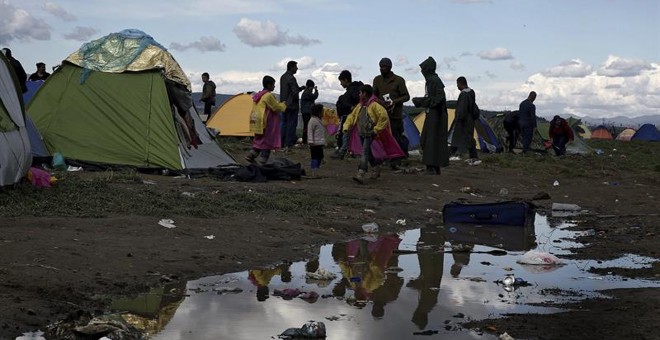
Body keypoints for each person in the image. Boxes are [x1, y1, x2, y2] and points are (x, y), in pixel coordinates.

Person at [343, 84, 404, 184]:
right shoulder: (360, 106)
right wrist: (346, 127)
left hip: (370, 133)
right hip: (362, 133)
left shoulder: (375, 106)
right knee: (368, 153)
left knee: (364, 152)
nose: (359, 95)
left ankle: (361, 173)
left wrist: (376, 130)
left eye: (360, 93)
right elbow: (351, 117)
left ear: (365, 94)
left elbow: (383, 117)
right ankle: (376, 167)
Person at [412, 56, 449, 175]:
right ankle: (434, 166)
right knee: (430, 140)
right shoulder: (433, 80)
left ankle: (431, 167)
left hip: (436, 115)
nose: (422, 72)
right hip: (434, 114)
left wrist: (423, 102)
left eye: (423, 69)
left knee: (429, 140)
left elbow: (439, 98)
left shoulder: (434, 80)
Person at [372, 57, 410, 169]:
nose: (382, 69)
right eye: (380, 66)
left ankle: (397, 159)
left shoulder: (399, 80)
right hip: (382, 115)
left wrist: (395, 102)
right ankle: (385, 157)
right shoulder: (377, 80)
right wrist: (379, 102)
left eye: (384, 67)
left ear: (389, 67)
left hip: (395, 115)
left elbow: (406, 96)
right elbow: (374, 95)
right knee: (382, 137)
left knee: (396, 137)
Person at [246, 75, 287, 165]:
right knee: (267, 143)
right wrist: (283, 105)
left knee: (259, 141)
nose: (274, 87)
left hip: (257, 122)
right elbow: (276, 107)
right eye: (273, 85)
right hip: (266, 123)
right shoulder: (268, 96)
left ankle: (251, 155)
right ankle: (262, 163)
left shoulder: (258, 95)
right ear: (269, 85)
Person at [450, 76, 481, 165]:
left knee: (459, 137)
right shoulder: (471, 92)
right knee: (469, 137)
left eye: (457, 84)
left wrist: (458, 117)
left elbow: (462, 108)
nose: (457, 87)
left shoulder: (463, 94)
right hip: (470, 119)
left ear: (460, 83)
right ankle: (473, 156)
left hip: (464, 120)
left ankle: (457, 154)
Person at [334, 70, 363, 159]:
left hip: (349, 116)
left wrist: (351, 107)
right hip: (356, 116)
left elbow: (356, 100)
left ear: (346, 80)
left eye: (341, 81)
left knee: (345, 134)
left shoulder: (352, 90)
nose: (341, 84)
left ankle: (342, 152)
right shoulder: (356, 88)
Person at [280, 60, 305, 151]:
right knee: (291, 124)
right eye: (296, 67)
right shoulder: (291, 78)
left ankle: (281, 143)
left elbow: (289, 90)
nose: (297, 68)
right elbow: (294, 92)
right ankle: (288, 144)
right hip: (292, 106)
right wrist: (295, 99)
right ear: (291, 67)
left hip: (283, 104)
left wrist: (301, 88)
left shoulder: (283, 77)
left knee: (284, 124)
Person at [307, 104, 326, 177]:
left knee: (319, 156)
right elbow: (310, 131)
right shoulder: (312, 121)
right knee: (315, 157)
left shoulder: (318, 120)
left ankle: (316, 169)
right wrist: (310, 141)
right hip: (314, 143)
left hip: (319, 143)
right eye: (322, 111)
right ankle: (314, 171)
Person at [300, 79, 319, 144]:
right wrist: (316, 90)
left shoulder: (306, 92)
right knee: (307, 126)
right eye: (312, 87)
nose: (312, 89)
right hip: (306, 112)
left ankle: (306, 140)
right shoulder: (307, 93)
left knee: (307, 126)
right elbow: (314, 96)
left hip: (306, 112)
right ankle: (305, 140)